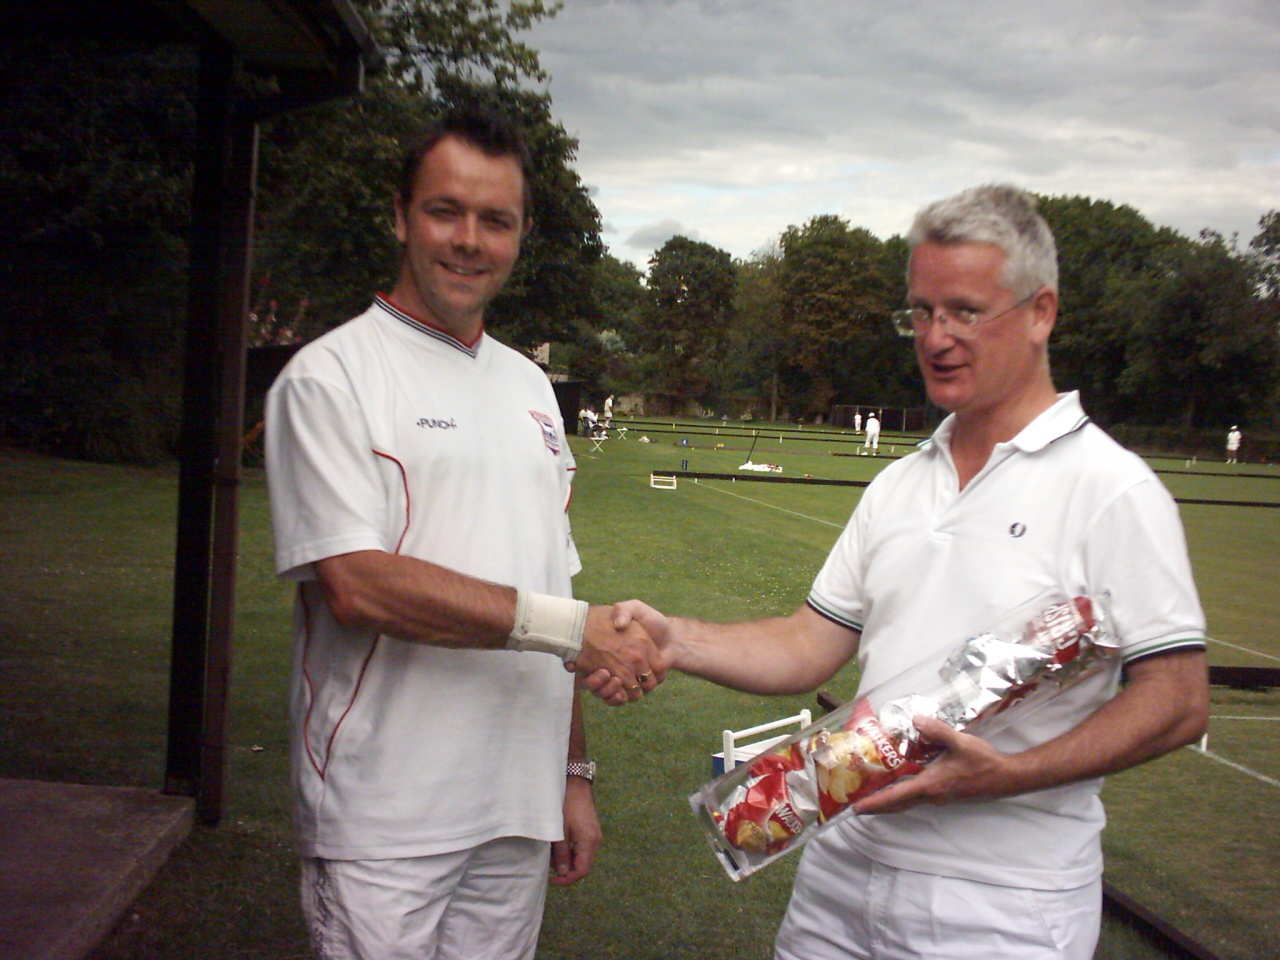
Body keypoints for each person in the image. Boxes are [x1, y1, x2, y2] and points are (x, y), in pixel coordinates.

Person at [611, 184, 1208, 960]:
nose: (936, 337)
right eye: (921, 313)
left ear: (1040, 312)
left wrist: (1011, 773)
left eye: (964, 310)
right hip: (841, 864)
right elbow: (810, 644)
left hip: (1003, 902)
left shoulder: (1113, 489)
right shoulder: (900, 483)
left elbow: (1178, 700)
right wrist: (676, 640)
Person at [265, 106, 662, 960]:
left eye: (497, 220)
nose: (469, 240)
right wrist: (576, 632)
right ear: (401, 216)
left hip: (514, 807)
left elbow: (551, 583)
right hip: (387, 815)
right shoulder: (330, 378)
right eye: (447, 211)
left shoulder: (529, 386)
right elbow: (357, 584)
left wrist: (572, 775)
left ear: (520, 236)